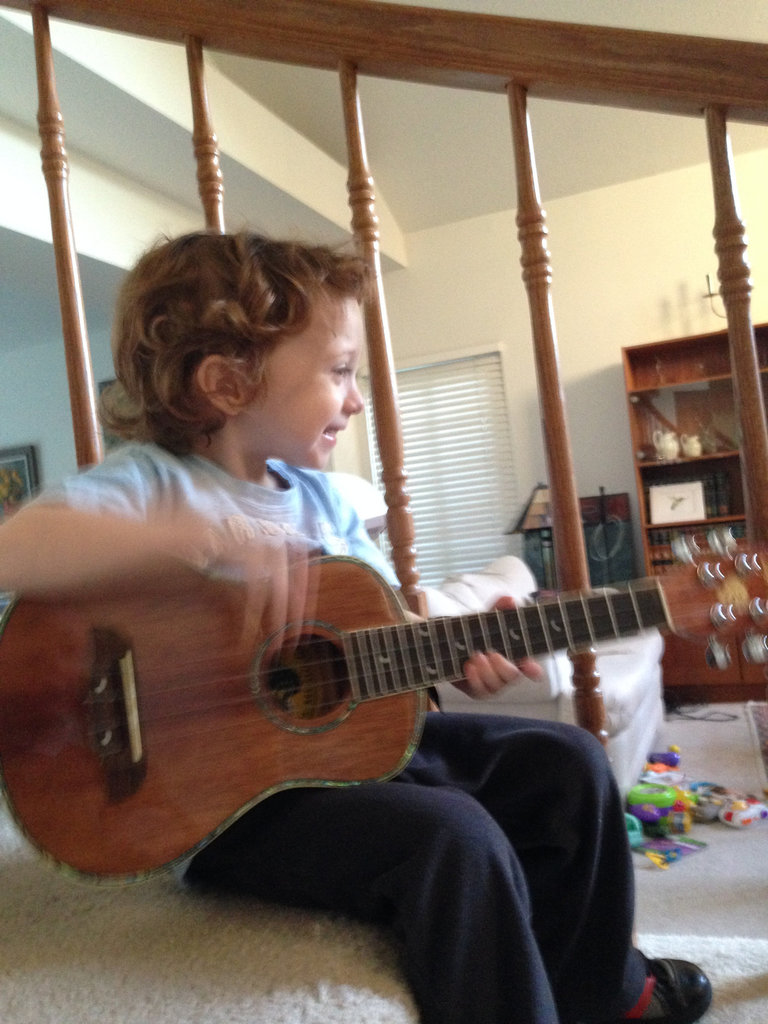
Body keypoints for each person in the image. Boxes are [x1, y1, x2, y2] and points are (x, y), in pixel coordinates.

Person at [0, 230, 712, 1024]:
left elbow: (375, 630)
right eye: (339, 371)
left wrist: (458, 646)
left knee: (569, 764)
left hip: (356, 760)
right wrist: (190, 537)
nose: (357, 398)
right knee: (454, 838)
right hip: (223, 807)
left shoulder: (327, 501)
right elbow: (14, 551)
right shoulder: (149, 482)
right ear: (228, 383)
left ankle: (605, 995)